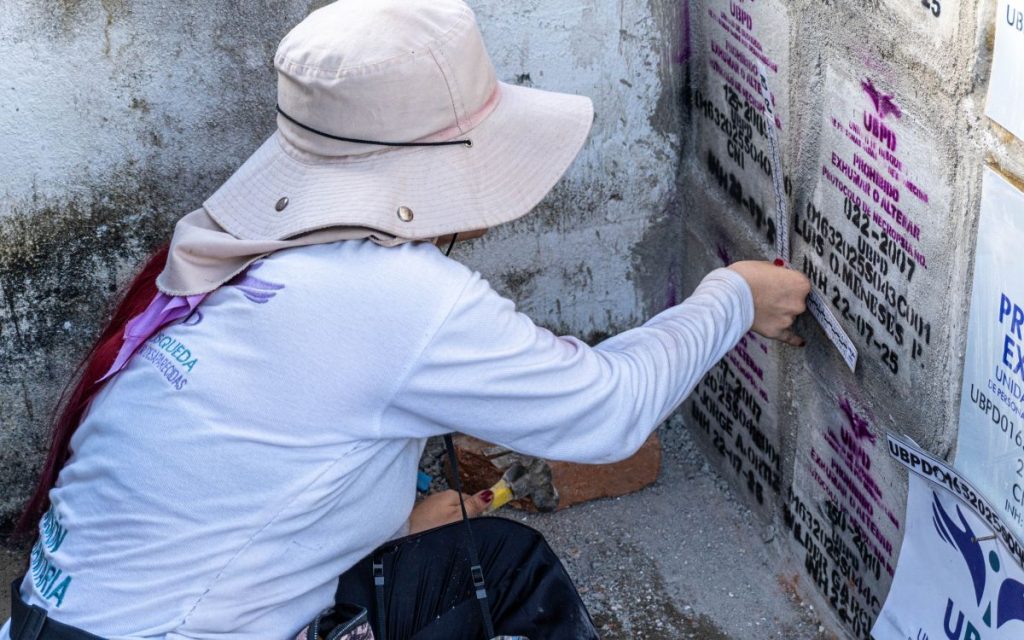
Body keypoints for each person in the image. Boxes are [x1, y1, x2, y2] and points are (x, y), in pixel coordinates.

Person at [3, 0, 811, 638]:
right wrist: (735, 297)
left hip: (53, 621)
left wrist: (399, 516)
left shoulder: (254, 248)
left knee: (492, 561)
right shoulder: (393, 296)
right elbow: (607, 412)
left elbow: (276, 473)